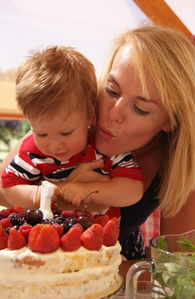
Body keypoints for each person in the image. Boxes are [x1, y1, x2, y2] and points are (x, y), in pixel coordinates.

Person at [1, 24, 195, 260]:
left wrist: (91, 191)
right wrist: (53, 190)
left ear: (171, 120)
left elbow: (180, 264)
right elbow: (5, 187)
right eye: (111, 91)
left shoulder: (179, 164)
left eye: (139, 108)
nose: (113, 113)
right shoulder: (67, 126)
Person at [1, 46, 143, 219]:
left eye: (66, 133)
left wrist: (86, 190)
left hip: (100, 239)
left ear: (89, 115)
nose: (54, 146)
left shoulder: (103, 146)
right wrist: (37, 195)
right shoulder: (31, 152)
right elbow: (9, 184)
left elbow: (133, 190)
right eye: (42, 134)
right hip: (48, 239)